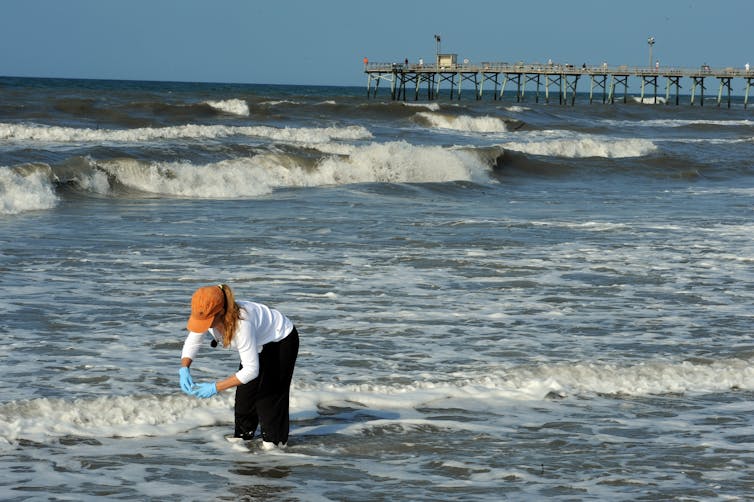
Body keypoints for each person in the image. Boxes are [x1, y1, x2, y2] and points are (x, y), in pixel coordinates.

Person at [178, 284, 299, 447]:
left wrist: (215, 387)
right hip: (256, 343)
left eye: (206, 321)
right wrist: (184, 368)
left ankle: (275, 449)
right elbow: (193, 341)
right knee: (244, 398)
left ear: (220, 312)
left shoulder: (242, 324)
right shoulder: (206, 311)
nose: (202, 325)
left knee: (268, 399)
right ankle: (244, 440)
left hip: (280, 340)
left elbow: (251, 370)